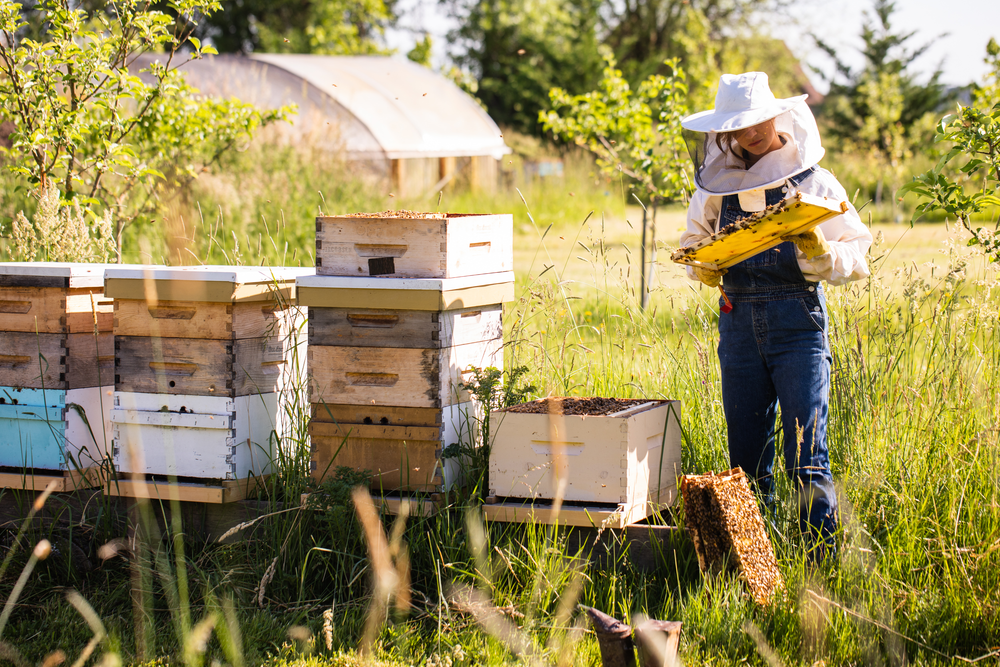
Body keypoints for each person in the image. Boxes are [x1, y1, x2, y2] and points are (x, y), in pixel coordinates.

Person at [679, 72, 873, 559]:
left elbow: (859, 253)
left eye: (757, 122)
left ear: (776, 115)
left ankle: (820, 564)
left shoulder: (814, 179)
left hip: (797, 324)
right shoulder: (713, 189)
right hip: (737, 322)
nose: (750, 134)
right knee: (746, 458)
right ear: (723, 132)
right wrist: (702, 265)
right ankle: (752, 566)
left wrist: (824, 253)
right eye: (738, 127)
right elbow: (691, 244)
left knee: (808, 455)